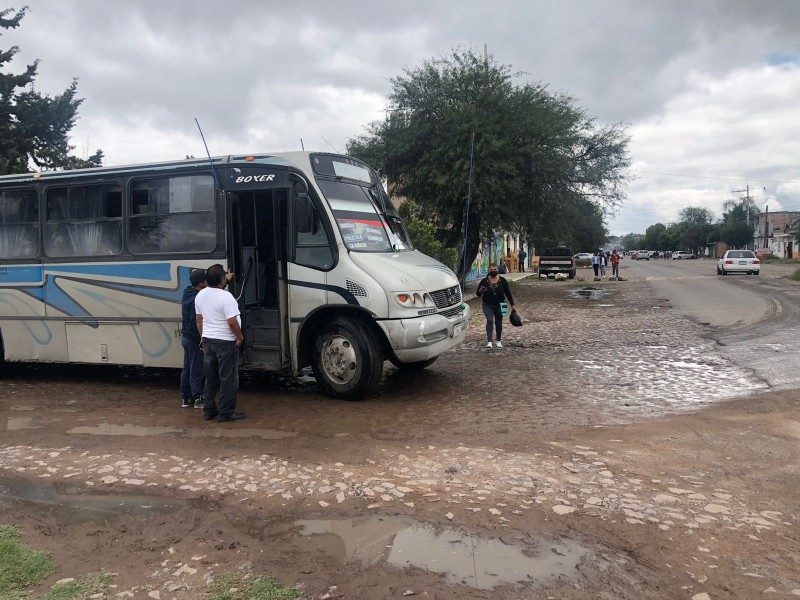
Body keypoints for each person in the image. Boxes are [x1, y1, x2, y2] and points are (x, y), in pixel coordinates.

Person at [195, 264, 245, 422]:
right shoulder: (226, 297)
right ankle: (225, 412)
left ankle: (209, 410)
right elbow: (231, 322)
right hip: (225, 342)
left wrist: (203, 337)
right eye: (224, 277)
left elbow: (199, 320)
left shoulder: (201, 295)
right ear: (222, 280)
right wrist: (240, 337)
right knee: (227, 379)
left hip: (208, 341)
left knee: (211, 378)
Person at [180, 268, 207, 408]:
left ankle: (186, 398)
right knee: (196, 369)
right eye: (206, 280)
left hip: (185, 337)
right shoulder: (198, 298)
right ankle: (198, 398)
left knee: (187, 368)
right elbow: (195, 321)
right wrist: (201, 339)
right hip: (193, 338)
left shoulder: (187, 293)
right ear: (201, 284)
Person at [476, 263, 515, 349]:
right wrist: (481, 291)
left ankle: (498, 341)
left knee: (498, 323)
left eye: (495, 270)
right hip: (487, 305)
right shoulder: (484, 281)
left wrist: (512, 305)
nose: (493, 271)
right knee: (490, 321)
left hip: (500, 305)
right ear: (489, 271)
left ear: (497, 270)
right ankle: (489, 341)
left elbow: (508, 293)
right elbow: (477, 294)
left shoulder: (503, 281)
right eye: (491, 270)